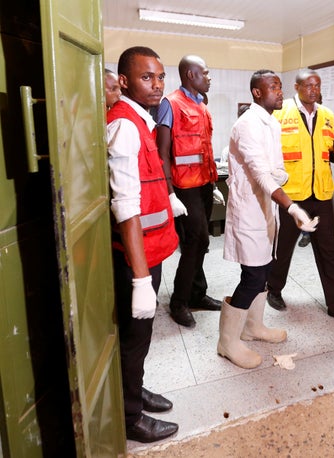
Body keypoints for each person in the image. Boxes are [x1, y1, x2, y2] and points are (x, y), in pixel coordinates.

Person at [219, 69, 318, 369]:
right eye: (273, 87)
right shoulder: (247, 124)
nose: (280, 92)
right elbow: (261, 174)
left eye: (280, 86)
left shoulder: (272, 122)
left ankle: (253, 327)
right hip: (249, 210)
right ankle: (227, 341)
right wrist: (292, 207)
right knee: (253, 276)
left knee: (264, 270)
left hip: (266, 208)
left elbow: (276, 167)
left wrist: (282, 175)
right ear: (257, 93)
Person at [106, 46, 179, 443]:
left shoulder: (141, 121)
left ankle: (134, 390)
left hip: (151, 250)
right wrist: (139, 280)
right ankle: (129, 416)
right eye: (147, 77)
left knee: (141, 339)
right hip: (137, 260)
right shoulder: (124, 125)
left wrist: (170, 201)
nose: (157, 84)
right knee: (134, 340)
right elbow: (126, 208)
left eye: (160, 76)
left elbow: (147, 183)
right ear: (124, 81)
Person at [266, 68, 334, 323]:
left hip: (320, 194)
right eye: (309, 86)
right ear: (296, 87)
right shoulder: (280, 112)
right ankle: (273, 290)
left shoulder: (328, 116)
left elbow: (331, 152)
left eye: (317, 86)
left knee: (330, 250)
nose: (314, 90)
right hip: (291, 195)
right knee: (283, 248)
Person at [156, 55, 224, 328]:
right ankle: (179, 302)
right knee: (193, 242)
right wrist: (170, 193)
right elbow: (162, 153)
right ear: (190, 75)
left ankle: (197, 294)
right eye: (205, 73)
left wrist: (214, 184)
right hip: (184, 188)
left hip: (205, 184)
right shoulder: (170, 104)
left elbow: (203, 150)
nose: (209, 78)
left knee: (204, 242)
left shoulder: (202, 107)